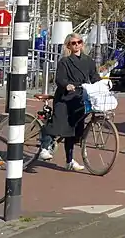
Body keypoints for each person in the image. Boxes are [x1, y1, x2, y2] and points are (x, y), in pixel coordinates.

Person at [39, 33, 100, 171]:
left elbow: (94, 76)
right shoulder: (64, 61)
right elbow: (59, 79)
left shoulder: (88, 61)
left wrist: (103, 84)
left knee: (73, 130)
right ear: (68, 46)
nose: (77, 45)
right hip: (65, 97)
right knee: (58, 123)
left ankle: (69, 161)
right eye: (73, 43)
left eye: (79, 42)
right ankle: (45, 147)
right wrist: (66, 85)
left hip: (79, 97)